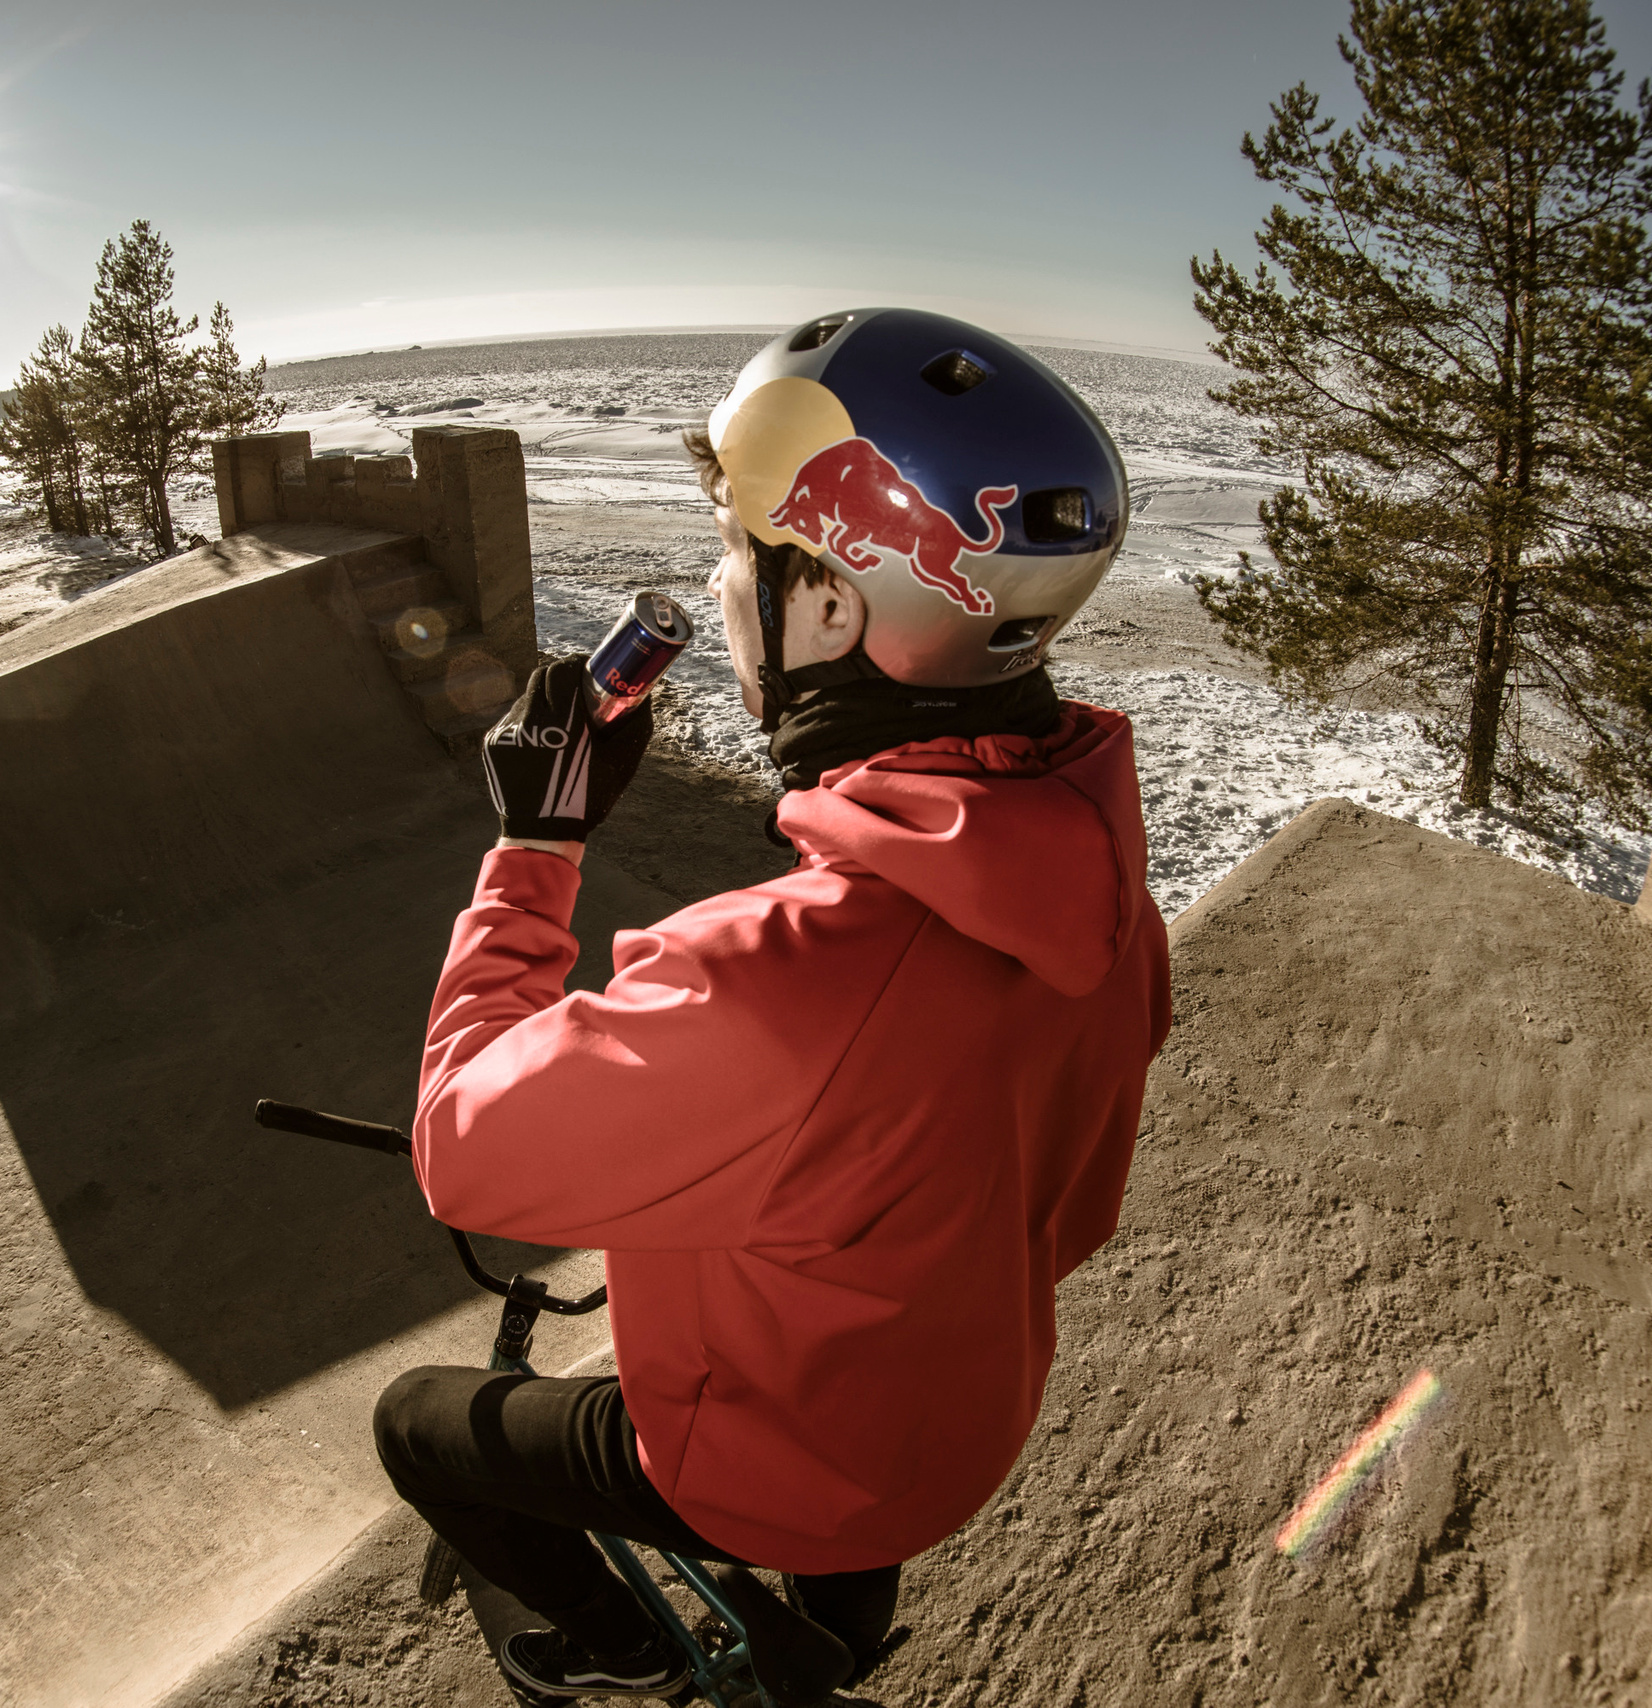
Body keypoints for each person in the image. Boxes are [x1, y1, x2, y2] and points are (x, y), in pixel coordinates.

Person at [372, 308, 1172, 1701]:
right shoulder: (1099, 886)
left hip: (793, 1467)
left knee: (417, 1423)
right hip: (967, 1416)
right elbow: (1067, 1209)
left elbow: (462, 1147)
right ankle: (841, 1633)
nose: (721, 588)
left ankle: (622, 1652)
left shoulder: (764, 978)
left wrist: (535, 853)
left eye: (740, 555)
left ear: (835, 608)